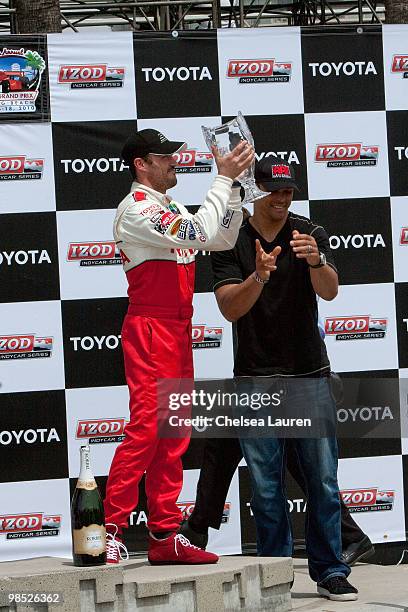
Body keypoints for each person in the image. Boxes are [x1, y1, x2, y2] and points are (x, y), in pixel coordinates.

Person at [182, 159, 358, 601]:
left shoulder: (309, 232)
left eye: (287, 191)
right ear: (253, 191)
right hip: (256, 378)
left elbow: (331, 290)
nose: (281, 199)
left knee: (323, 482)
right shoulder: (229, 238)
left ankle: (331, 570)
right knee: (265, 488)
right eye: (273, 191)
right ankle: (275, 575)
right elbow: (229, 309)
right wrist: (259, 275)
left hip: (309, 376)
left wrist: (317, 262)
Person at [103, 128, 254, 565]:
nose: (174, 162)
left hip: (178, 330)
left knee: (174, 434)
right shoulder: (135, 209)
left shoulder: (167, 204)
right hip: (149, 327)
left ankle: (165, 534)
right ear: (141, 165)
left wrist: (235, 196)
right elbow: (199, 230)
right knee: (147, 428)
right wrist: (222, 179)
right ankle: (108, 529)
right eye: (164, 157)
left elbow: (220, 237)